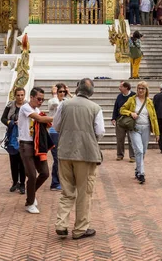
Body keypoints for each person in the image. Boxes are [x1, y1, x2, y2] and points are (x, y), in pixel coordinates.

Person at [54, 78, 105, 240]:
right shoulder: (95, 108)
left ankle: (61, 224)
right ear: (92, 92)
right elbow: (100, 131)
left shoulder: (64, 104)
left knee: (67, 191)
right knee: (84, 192)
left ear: (77, 89)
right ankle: (80, 229)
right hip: (86, 154)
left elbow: (56, 125)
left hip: (65, 152)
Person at [18, 87, 54, 214]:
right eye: (39, 99)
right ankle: (29, 202)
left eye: (43, 100)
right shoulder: (25, 108)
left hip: (38, 145)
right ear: (31, 97)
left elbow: (43, 121)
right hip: (26, 144)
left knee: (44, 173)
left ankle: (31, 194)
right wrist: (56, 118)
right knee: (32, 175)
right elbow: (39, 119)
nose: (40, 102)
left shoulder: (37, 110)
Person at [120, 81, 159, 184]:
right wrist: (131, 113)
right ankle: (141, 173)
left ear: (146, 90)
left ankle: (137, 170)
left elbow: (154, 117)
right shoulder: (132, 100)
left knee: (143, 151)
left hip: (146, 128)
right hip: (135, 128)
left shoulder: (149, 102)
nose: (141, 90)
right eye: (139, 88)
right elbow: (122, 109)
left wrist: (157, 133)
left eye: (143, 88)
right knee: (139, 150)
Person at [1, 87, 26, 194]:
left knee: (23, 162)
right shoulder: (10, 105)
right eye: (18, 95)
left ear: (24, 95)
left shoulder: (27, 106)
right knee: (13, 161)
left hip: (24, 137)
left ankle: (22, 184)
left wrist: (21, 122)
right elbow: (3, 118)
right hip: (12, 136)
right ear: (15, 96)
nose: (20, 97)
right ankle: (15, 182)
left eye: (22, 95)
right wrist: (10, 122)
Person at [47, 83, 72, 191]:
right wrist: (54, 94)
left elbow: (76, 103)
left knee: (63, 158)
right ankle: (55, 182)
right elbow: (56, 105)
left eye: (63, 92)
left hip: (64, 132)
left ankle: (62, 180)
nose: (62, 93)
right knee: (57, 158)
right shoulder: (52, 101)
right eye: (60, 91)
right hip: (54, 132)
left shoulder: (66, 101)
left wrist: (70, 93)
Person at [111, 81, 136, 162]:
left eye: (121, 86)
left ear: (126, 88)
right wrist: (113, 118)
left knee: (131, 139)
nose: (119, 88)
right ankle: (120, 154)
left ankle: (132, 156)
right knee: (120, 139)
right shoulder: (119, 96)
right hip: (120, 120)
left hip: (130, 120)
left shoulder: (134, 95)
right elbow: (116, 107)